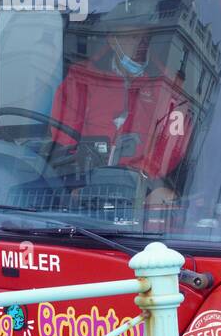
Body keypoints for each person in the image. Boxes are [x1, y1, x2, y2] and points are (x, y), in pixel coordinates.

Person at [49, 22, 195, 212]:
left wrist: (152, 187)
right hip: (83, 196)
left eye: (146, 37)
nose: (141, 43)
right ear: (112, 39)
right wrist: (75, 184)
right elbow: (63, 137)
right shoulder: (80, 79)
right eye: (133, 37)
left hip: (142, 200)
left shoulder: (170, 88)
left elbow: (173, 148)